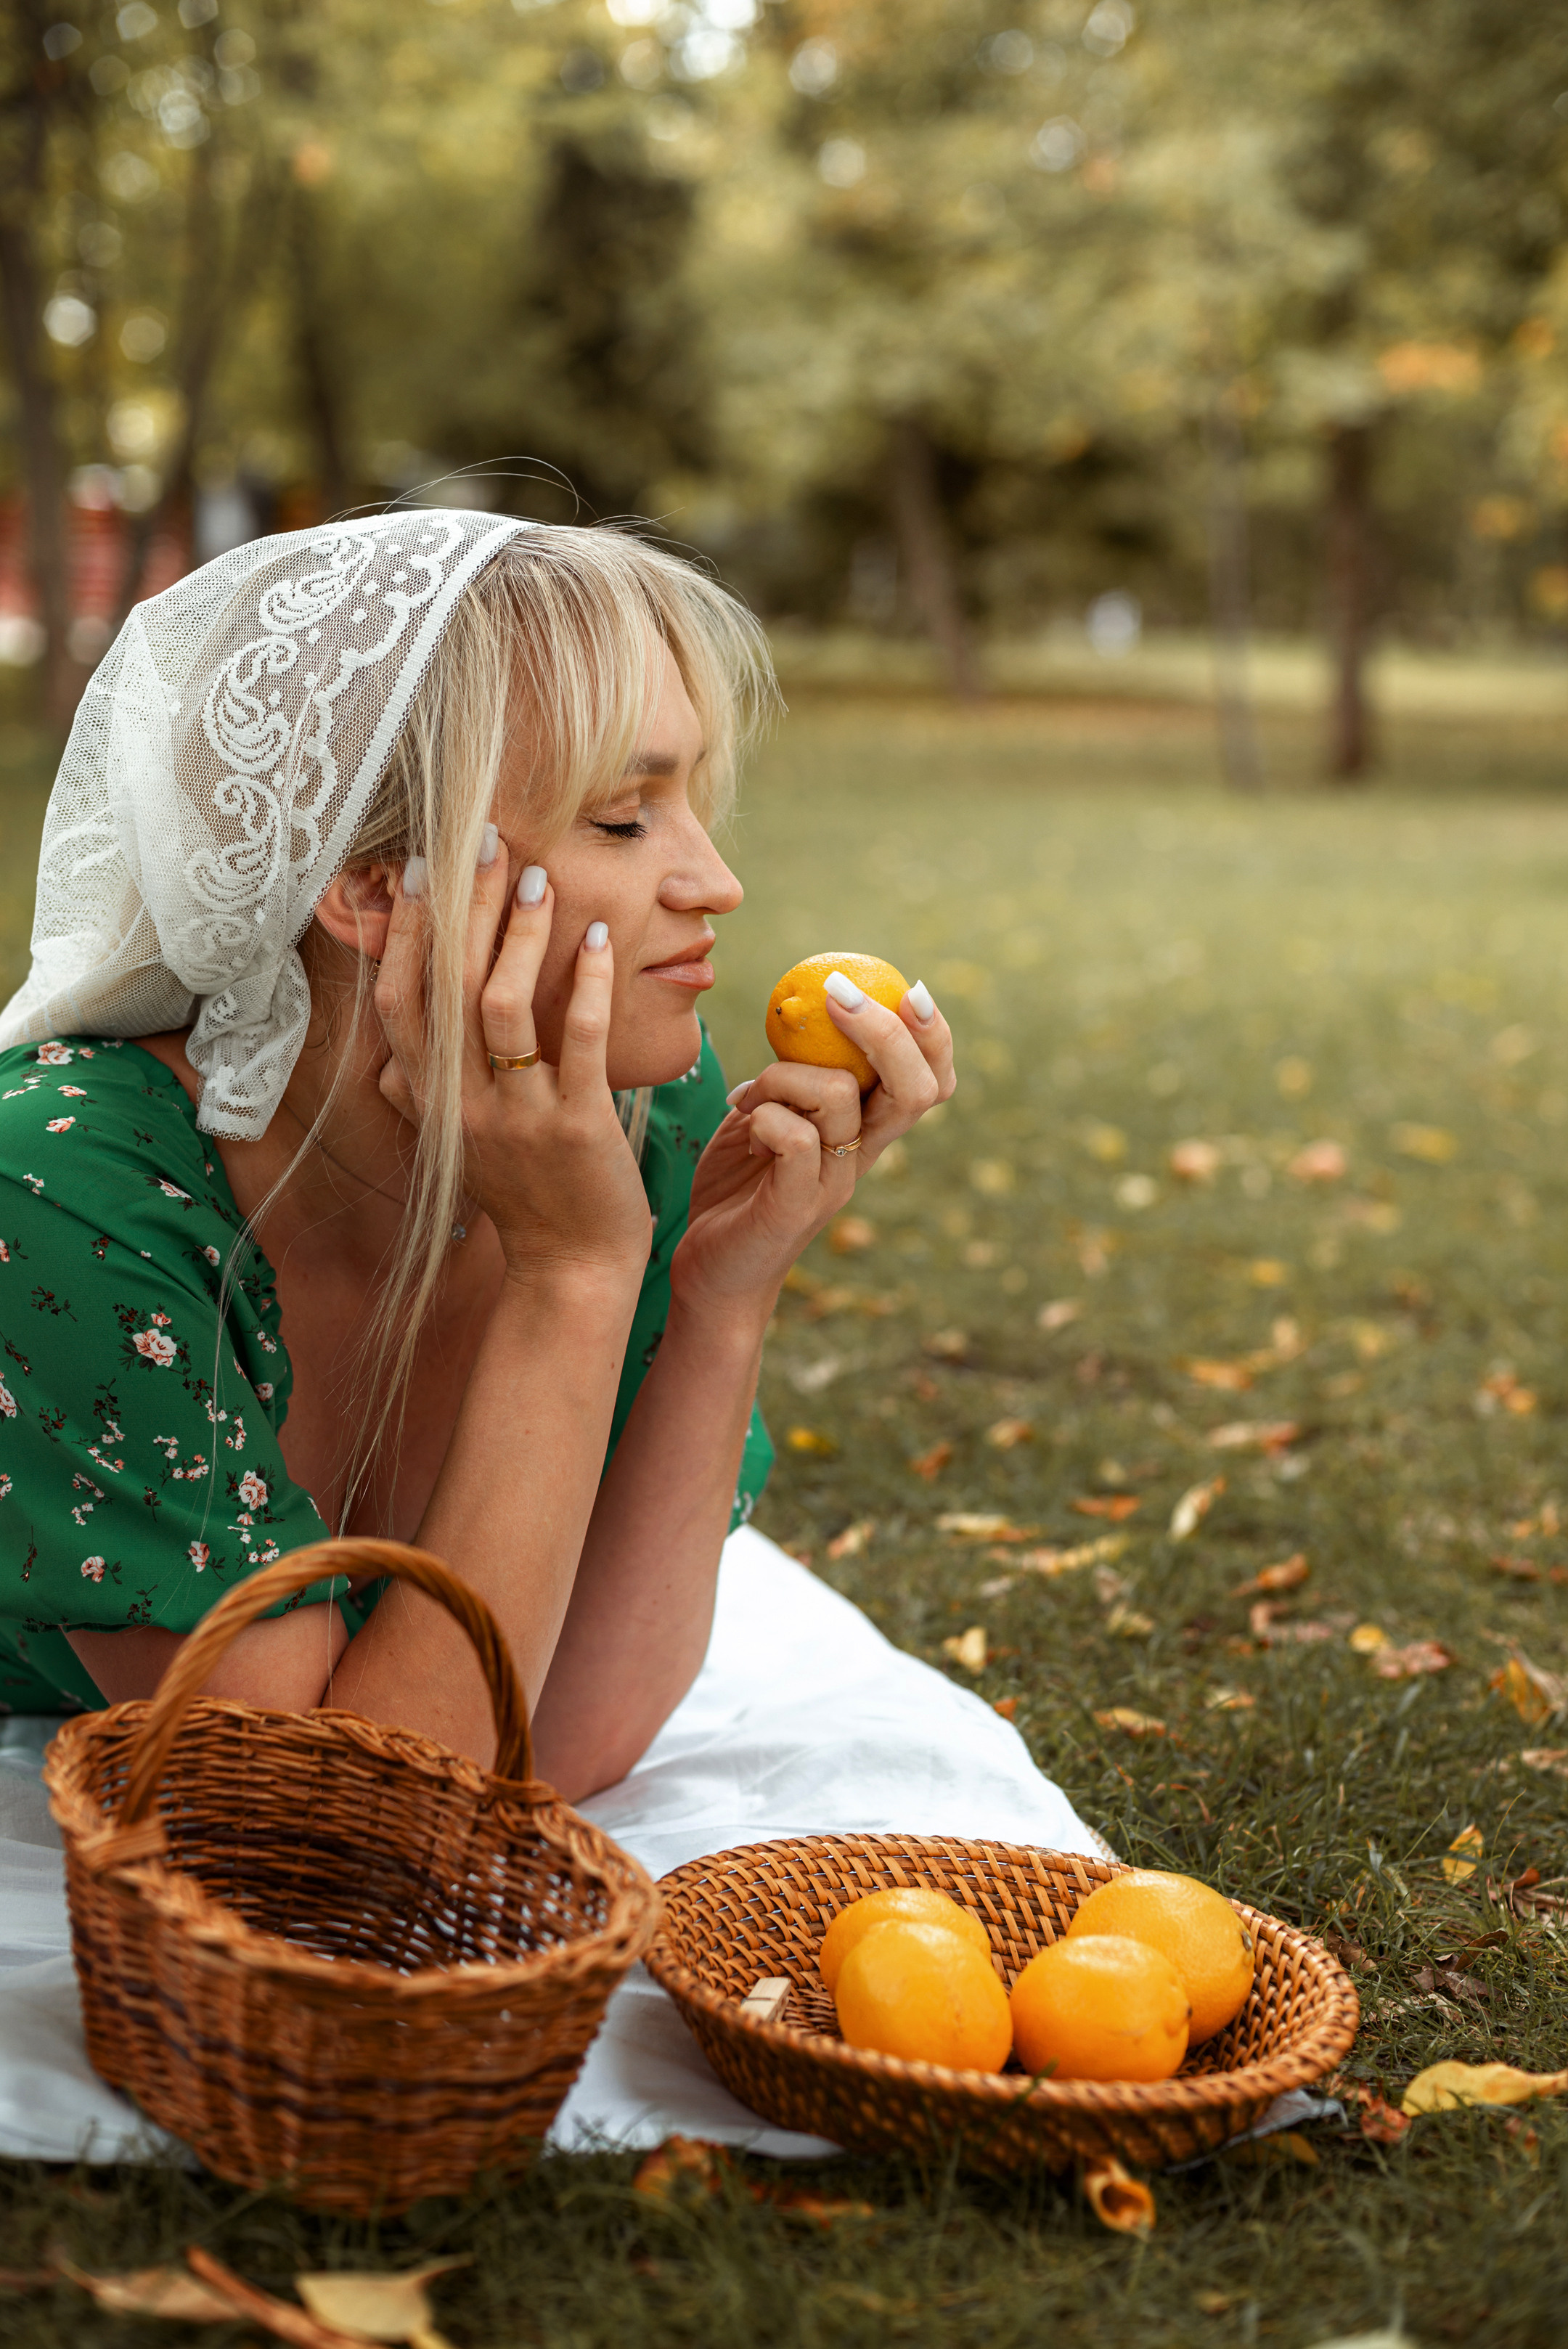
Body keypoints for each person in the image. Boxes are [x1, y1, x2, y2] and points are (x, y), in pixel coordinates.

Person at [0, 511, 954, 1801]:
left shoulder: (629, 1114)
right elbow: (337, 1831)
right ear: (371, 889)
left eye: (691, 801)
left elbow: (563, 1742)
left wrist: (723, 1296)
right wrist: (572, 1274)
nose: (716, 882)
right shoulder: (61, 1194)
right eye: (623, 819)